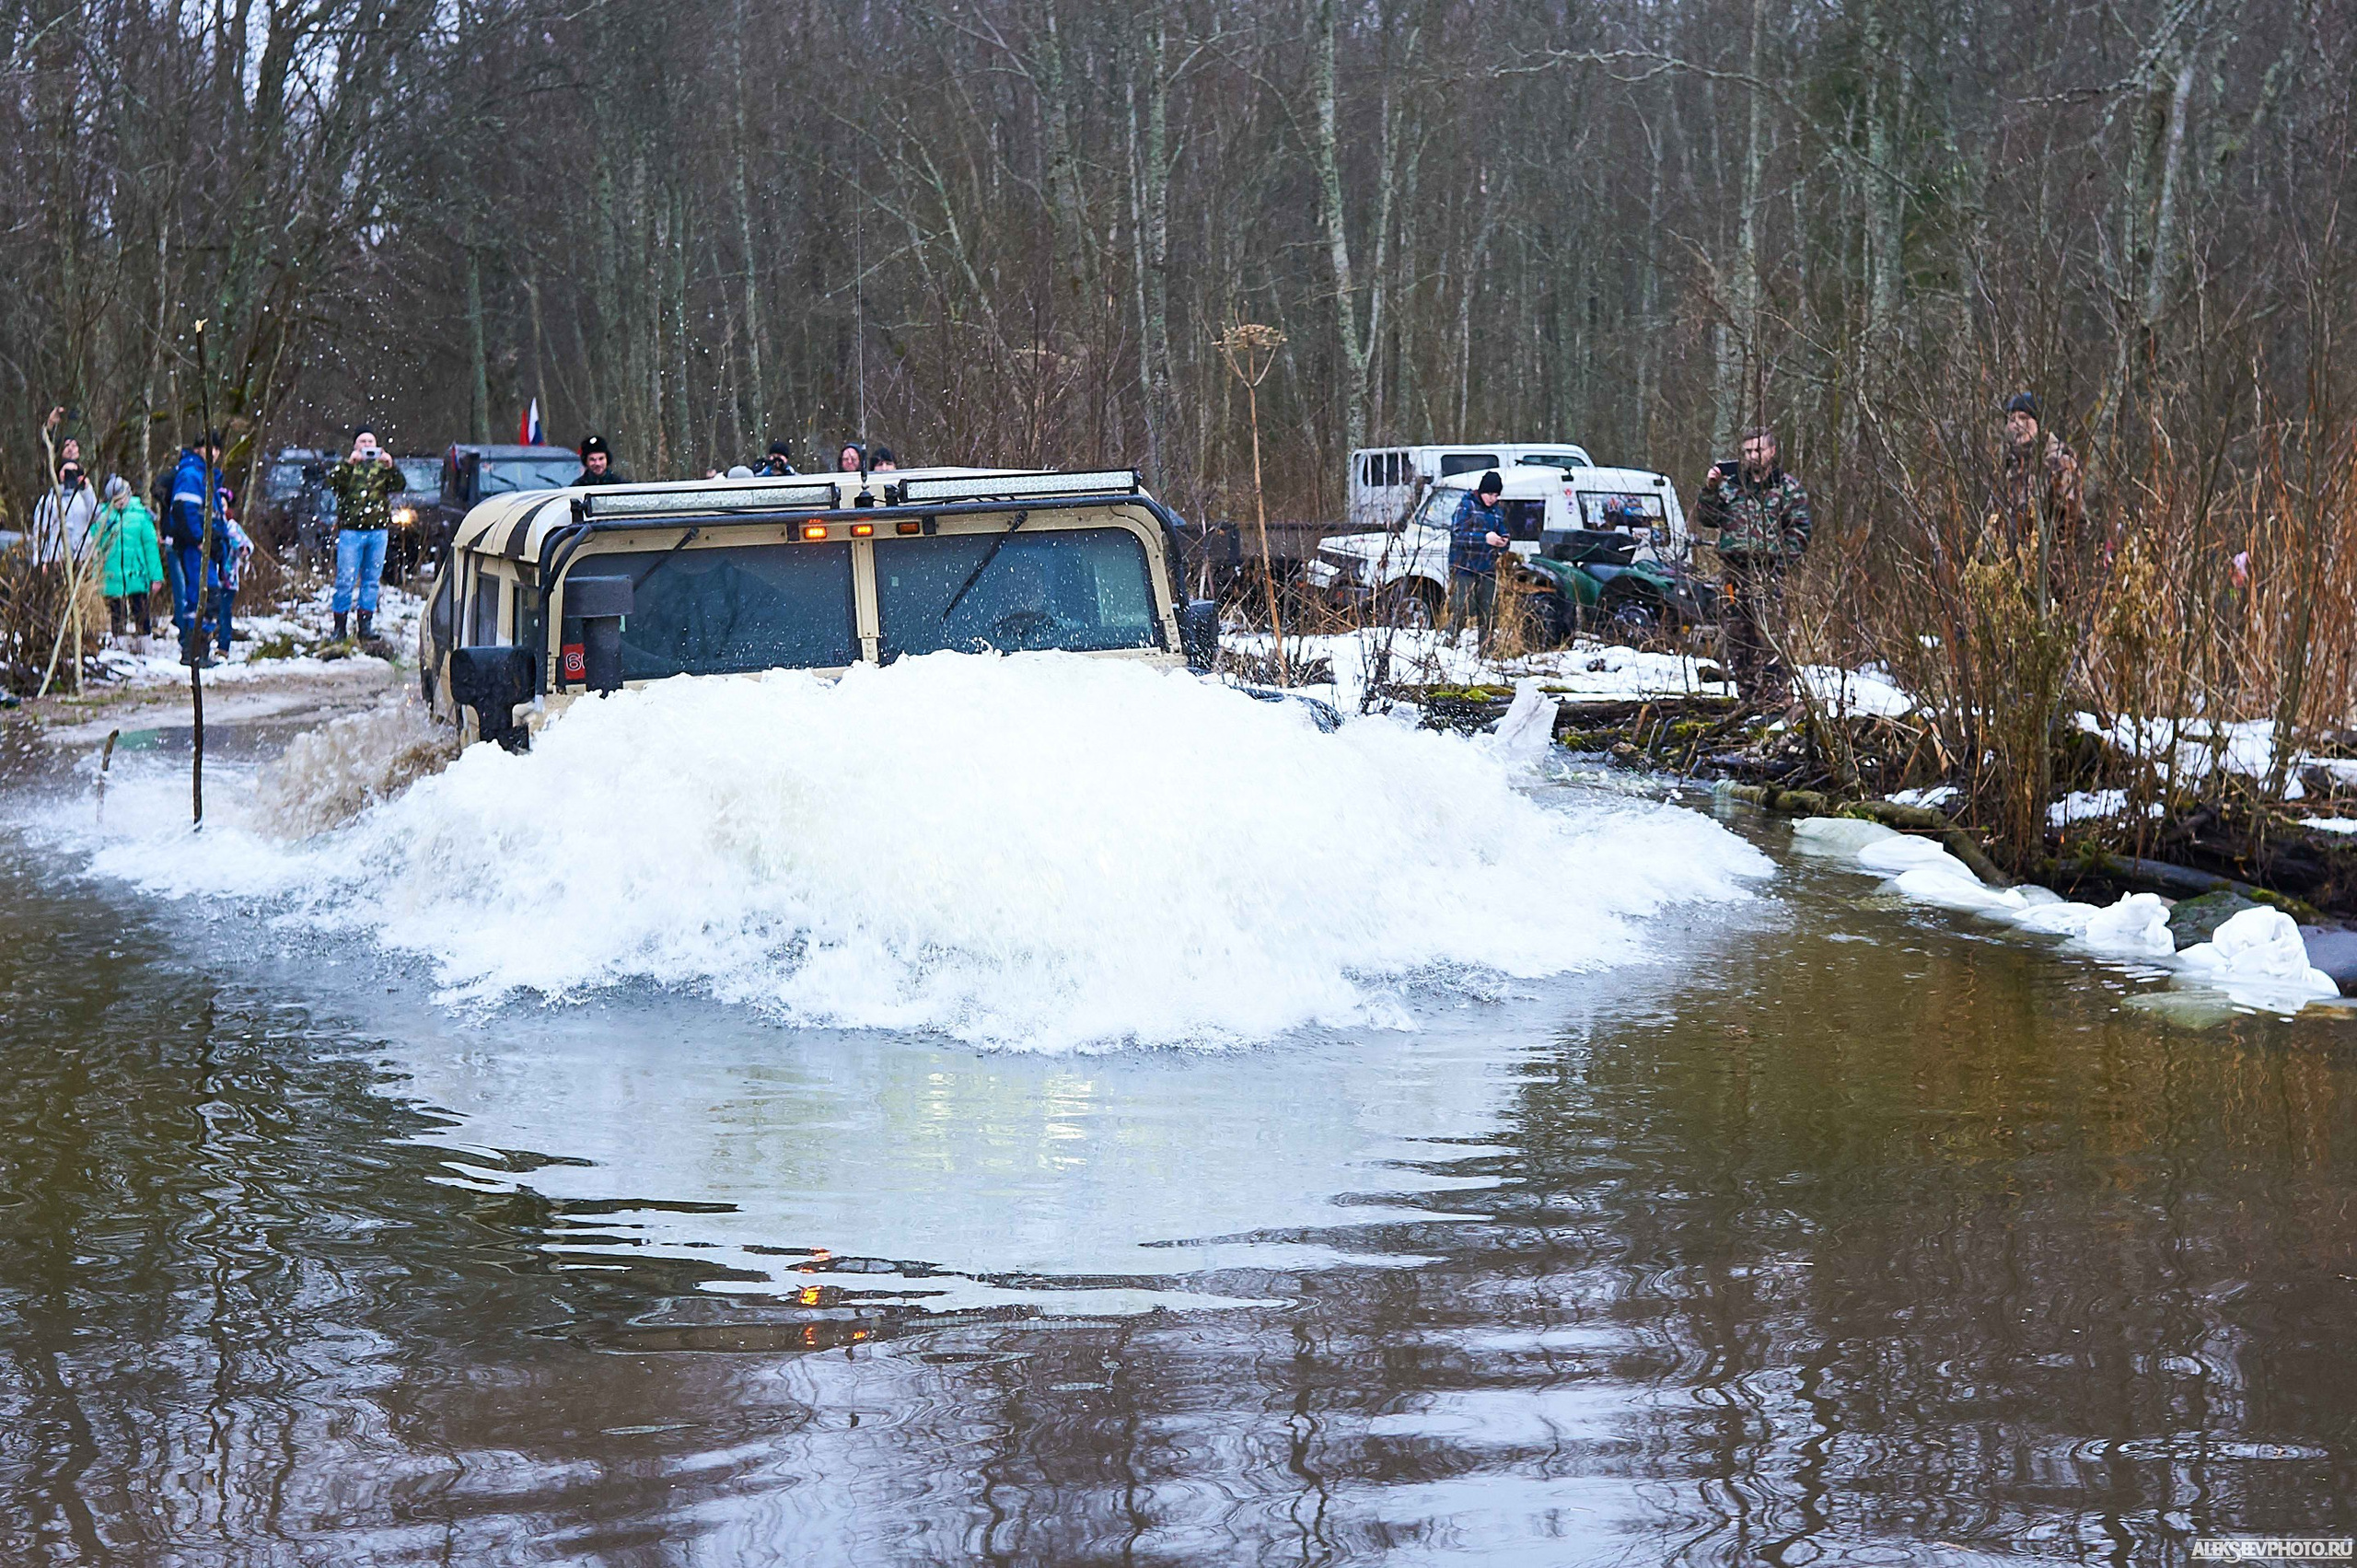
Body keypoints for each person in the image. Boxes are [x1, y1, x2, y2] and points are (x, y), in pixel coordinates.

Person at [1695, 427, 1812, 707]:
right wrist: (1710, 489)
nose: (1752, 457)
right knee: (1737, 636)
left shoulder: (1787, 488)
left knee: (1770, 637)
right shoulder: (1730, 486)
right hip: (1733, 576)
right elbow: (1707, 518)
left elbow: (1801, 532)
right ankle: (1747, 700)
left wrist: (1780, 566)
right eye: (1747, 451)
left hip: (1767, 574)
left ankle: (1775, 701)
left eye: (1758, 450)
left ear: (1772, 451)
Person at [324, 427, 406, 642]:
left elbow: (399, 486)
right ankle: (339, 628)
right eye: (363, 441)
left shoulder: (383, 468)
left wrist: (391, 466)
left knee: (371, 580)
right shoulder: (347, 467)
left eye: (371, 441)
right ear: (355, 445)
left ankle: (365, 627)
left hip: (378, 531)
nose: (367, 445)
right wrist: (349, 465)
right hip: (351, 532)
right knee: (345, 579)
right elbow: (332, 483)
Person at [156, 431, 226, 665]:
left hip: (205, 546)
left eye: (217, 449)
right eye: (209, 447)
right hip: (196, 547)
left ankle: (198, 649)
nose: (213, 453)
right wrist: (200, 539)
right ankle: (193, 650)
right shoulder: (191, 474)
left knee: (207, 595)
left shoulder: (207, 477)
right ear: (198, 449)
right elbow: (185, 510)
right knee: (201, 596)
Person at [1991, 391, 2086, 558]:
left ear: (2039, 424)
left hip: (2049, 568)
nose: (2016, 424)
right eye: (2011, 419)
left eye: (2024, 418)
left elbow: (2073, 526)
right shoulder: (2006, 468)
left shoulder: (2059, 462)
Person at [92, 476, 165, 640]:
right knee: (117, 612)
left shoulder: (141, 516)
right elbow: (96, 547)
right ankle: (119, 641)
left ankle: (144, 640)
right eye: (115, 500)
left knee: (141, 608)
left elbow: (150, 547)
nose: (120, 503)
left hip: (137, 573)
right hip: (112, 575)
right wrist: (95, 577)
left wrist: (156, 576)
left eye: (122, 497)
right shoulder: (103, 518)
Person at [1446, 470, 1510, 646]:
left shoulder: (1497, 512)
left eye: (1496, 495)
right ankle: (1448, 644)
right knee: (1461, 608)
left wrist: (1503, 541)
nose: (1493, 498)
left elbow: (1504, 533)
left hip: (1487, 568)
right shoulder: (1466, 506)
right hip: (1464, 567)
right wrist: (1484, 538)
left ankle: (1486, 650)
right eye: (1490, 494)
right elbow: (1458, 535)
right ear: (1481, 491)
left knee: (1488, 611)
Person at [30, 458, 99, 564]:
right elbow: (39, 530)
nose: (69, 475)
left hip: (82, 558)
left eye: (74, 471)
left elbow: (96, 517)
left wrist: (87, 489)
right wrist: (39, 560)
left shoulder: (85, 497)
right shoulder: (49, 499)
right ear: (58, 473)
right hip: (56, 559)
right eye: (66, 471)